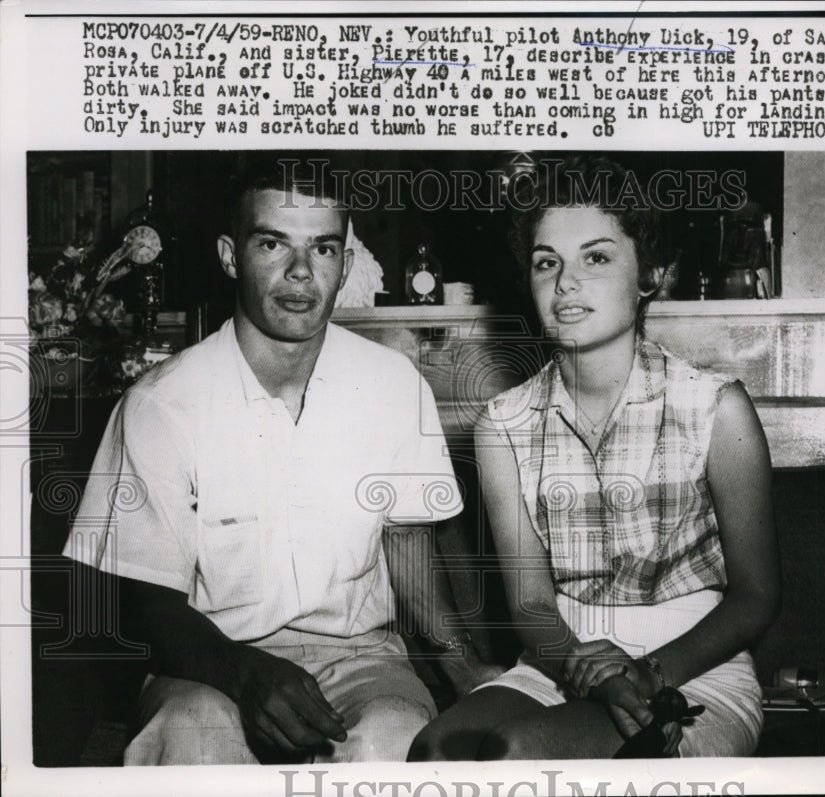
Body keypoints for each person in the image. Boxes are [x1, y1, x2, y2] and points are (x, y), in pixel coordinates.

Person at [63, 157, 498, 765]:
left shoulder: (394, 384)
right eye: (273, 243)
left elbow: (409, 552)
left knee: (390, 736)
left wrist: (466, 668)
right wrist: (243, 675)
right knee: (193, 734)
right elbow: (148, 606)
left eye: (322, 249)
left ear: (344, 266)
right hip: (208, 662)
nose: (300, 272)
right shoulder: (159, 405)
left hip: (363, 657)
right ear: (229, 255)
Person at [408, 156, 781, 760]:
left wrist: (649, 673)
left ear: (649, 275)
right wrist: (590, 668)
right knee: (437, 752)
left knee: (521, 754)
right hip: (560, 655)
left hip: (694, 662)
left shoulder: (716, 408)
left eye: (597, 257)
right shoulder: (503, 424)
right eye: (547, 262)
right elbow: (531, 605)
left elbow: (757, 597)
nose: (566, 281)